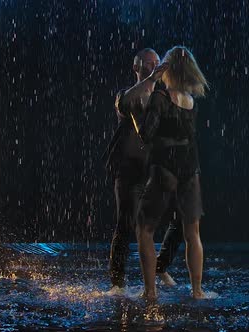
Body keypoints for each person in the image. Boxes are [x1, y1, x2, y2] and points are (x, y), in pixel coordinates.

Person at [102, 48, 183, 290]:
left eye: (157, 62)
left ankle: (160, 267)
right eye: (148, 63)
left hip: (156, 170)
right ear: (136, 67)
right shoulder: (126, 94)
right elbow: (124, 103)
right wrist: (150, 80)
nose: (154, 66)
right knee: (126, 223)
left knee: (181, 215)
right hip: (129, 171)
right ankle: (117, 282)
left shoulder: (162, 96)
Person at [135, 46, 209, 299]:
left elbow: (146, 135)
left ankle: (150, 292)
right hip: (191, 169)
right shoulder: (190, 101)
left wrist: (137, 114)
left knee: (145, 228)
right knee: (193, 232)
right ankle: (197, 291)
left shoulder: (161, 97)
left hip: (165, 167)